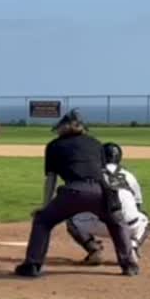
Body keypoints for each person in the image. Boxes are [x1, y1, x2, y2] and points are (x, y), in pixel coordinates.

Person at [15, 111, 137, 278]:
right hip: (101, 190)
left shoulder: (54, 146)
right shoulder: (95, 143)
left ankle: (32, 265)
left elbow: (51, 179)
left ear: (62, 128)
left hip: (73, 191)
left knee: (43, 221)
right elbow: (102, 173)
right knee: (117, 223)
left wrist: (45, 206)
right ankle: (129, 265)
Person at [67, 141, 150, 265]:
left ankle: (94, 249)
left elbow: (80, 201)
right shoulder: (129, 176)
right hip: (127, 226)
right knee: (146, 219)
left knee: (71, 220)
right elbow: (138, 206)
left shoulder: (90, 174)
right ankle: (132, 246)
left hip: (96, 224)